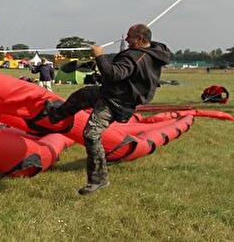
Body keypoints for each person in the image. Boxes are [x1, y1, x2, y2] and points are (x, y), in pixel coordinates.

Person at [46, 24, 170, 195]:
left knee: (91, 135)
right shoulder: (155, 52)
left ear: (140, 40)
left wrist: (99, 56)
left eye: (129, 36)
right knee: (83, 94)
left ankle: (99, 179)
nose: (126, 39)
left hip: (114, 103)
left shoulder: (135, 57)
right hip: (114, 95)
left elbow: (113, 74)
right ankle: (55, 115)